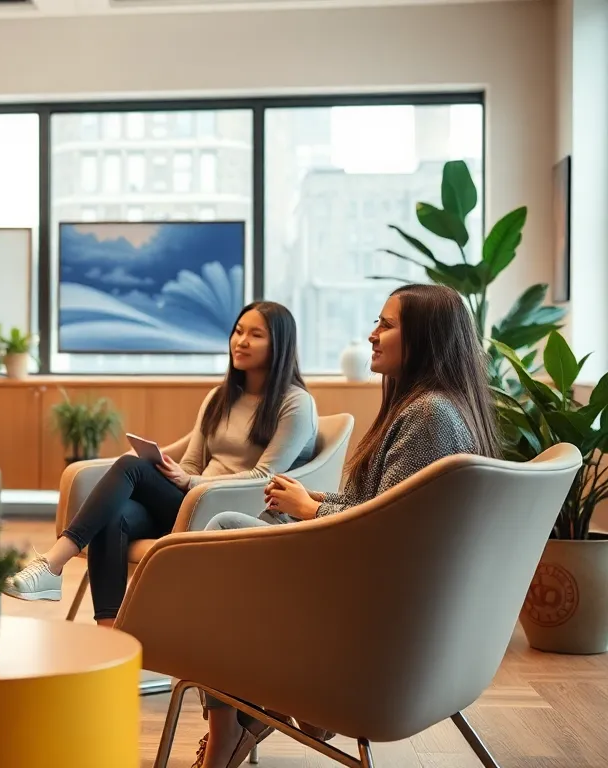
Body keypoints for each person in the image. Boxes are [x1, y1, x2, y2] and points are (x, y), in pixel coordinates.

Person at [194, 283, 502, 768]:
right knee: (235, 543)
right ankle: (265, 710)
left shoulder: (430, 415)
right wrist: (315, 498)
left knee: (222, 540)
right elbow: (386, 506)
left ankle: (233, 731)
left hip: (372, 616)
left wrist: (310, 510)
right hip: (386, 596)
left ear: (425, 336)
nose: (373, 334)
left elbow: (388, 532)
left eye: (387, 323)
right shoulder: (441, 408)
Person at [4, 301, 319, 627]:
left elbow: (264, 476)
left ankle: (53, 564)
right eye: (238, 331)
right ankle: (112, 638)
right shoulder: (220, 397)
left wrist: (190, 484)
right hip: (191, 502)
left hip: (232, 511)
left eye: (255, 335)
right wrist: (181, 475)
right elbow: (194, 463)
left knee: (130, 468)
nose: (241, 341)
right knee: (113, 517)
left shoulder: (296, 404)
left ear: (279, 345)